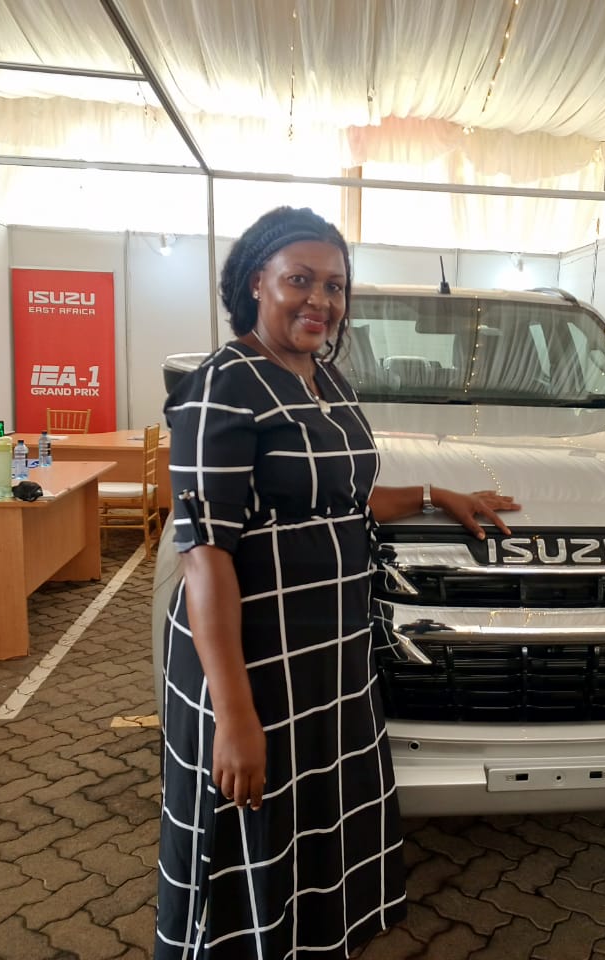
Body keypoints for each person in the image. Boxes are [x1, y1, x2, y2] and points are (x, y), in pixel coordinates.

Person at [155, 206, 520, 959]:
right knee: (251, 829)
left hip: (326, 653)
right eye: (300, 280)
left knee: (314, 819)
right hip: (252, 660)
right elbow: (206, 555)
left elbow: (342, 496)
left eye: (335, 286)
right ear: (255, 281)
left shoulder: (326, 379)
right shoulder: (221, 388)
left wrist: (432, 495)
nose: (320, 300)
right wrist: (234, 716)